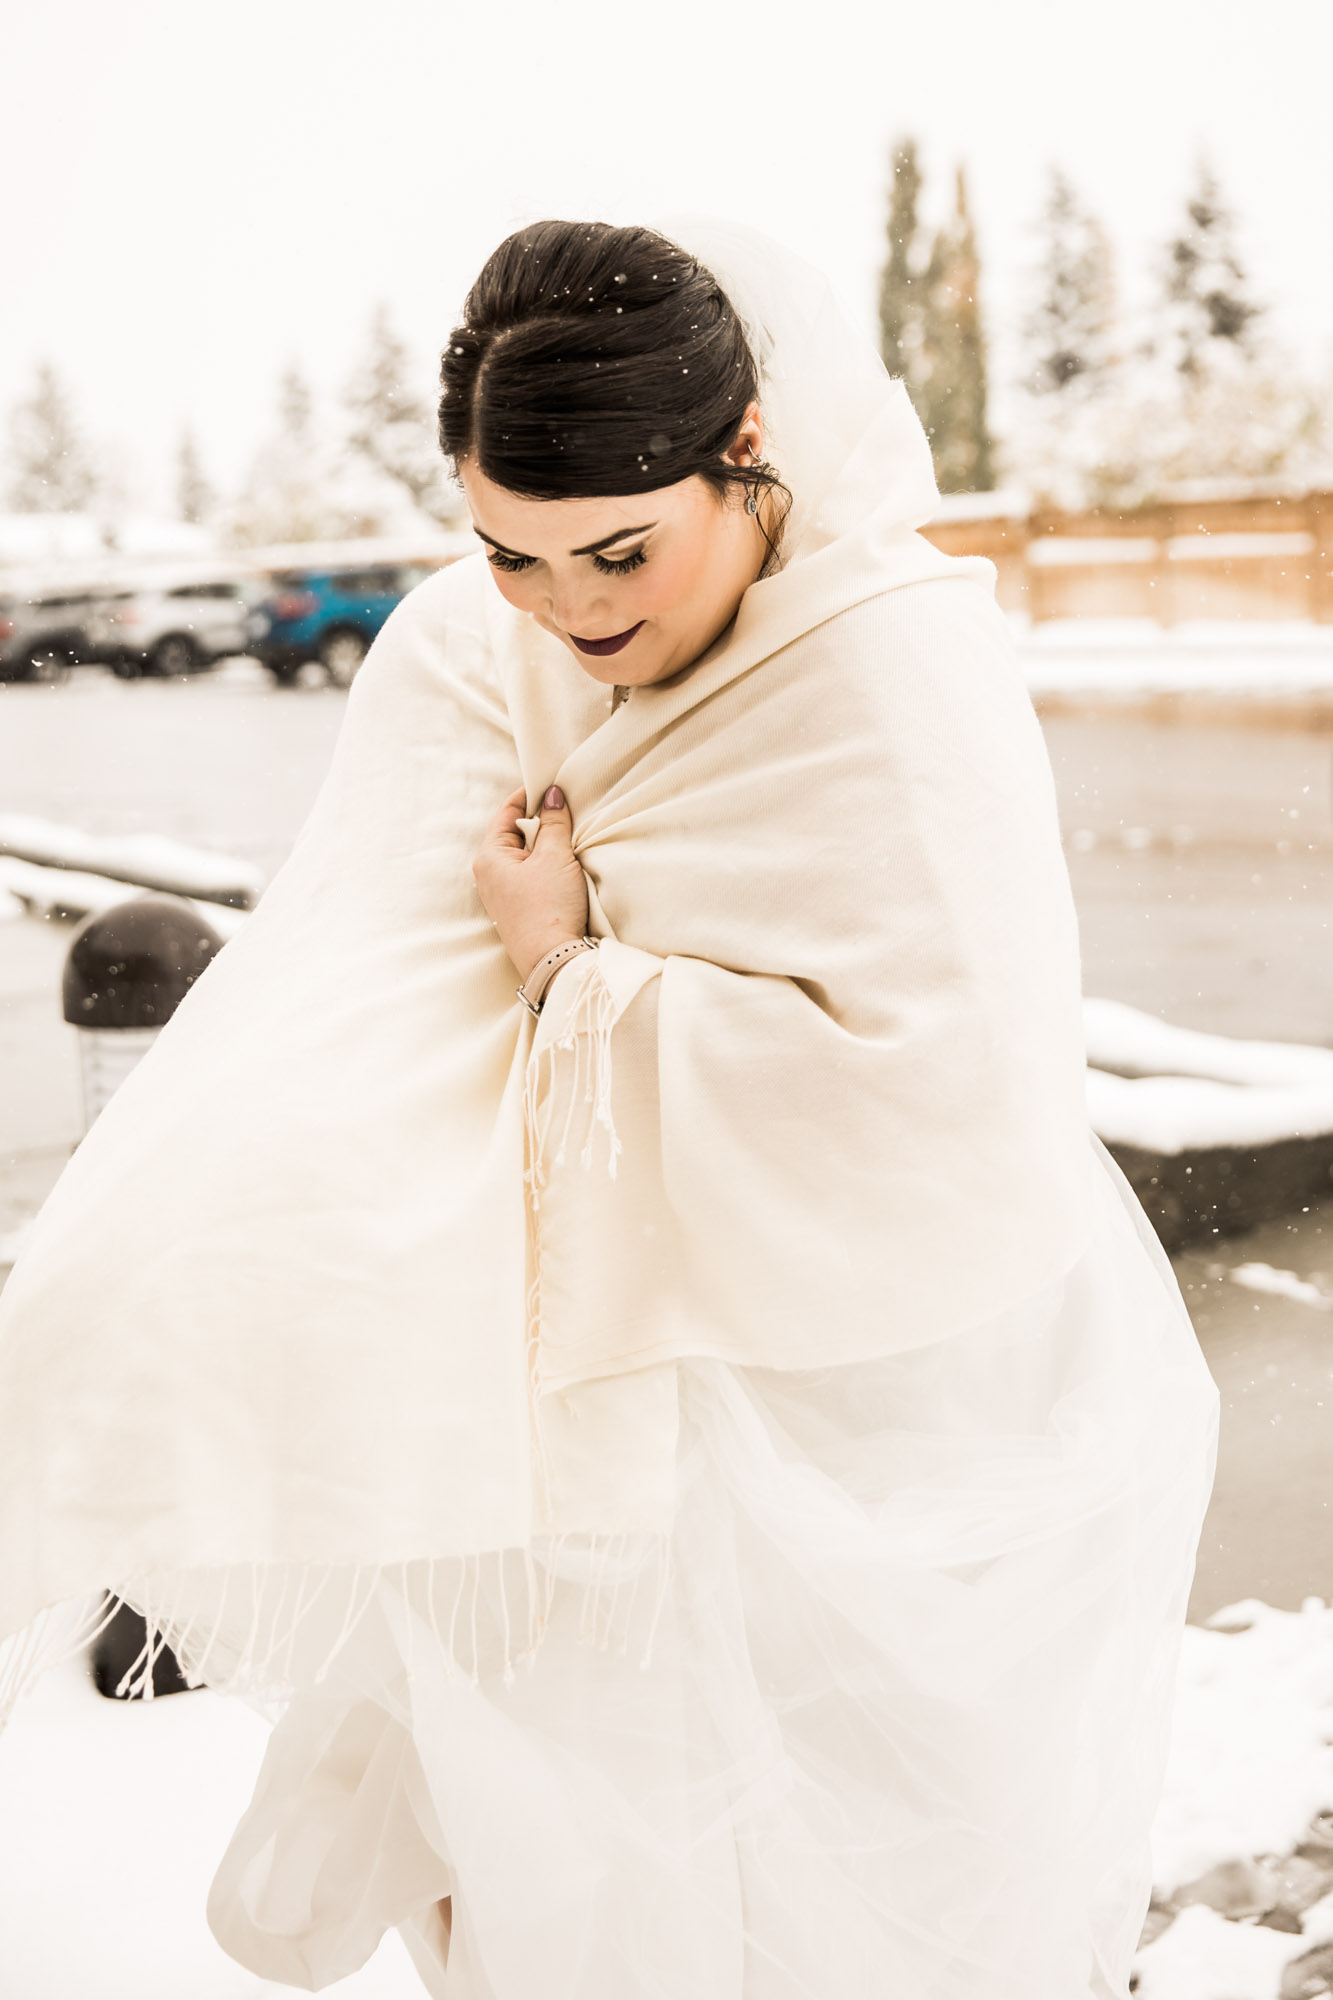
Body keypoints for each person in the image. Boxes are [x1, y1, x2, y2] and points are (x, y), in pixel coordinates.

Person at [0, 219, 1218, 1999]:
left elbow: (941, 1099)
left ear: (749, 465)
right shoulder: (464, 653)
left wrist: (572, 972)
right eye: (510, 555)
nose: (571, 611)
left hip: (836, 1420)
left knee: (815, 1888)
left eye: (618, 553)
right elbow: (350, 1002)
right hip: (535, 1442)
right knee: (550, 1892)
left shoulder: (890, 676)